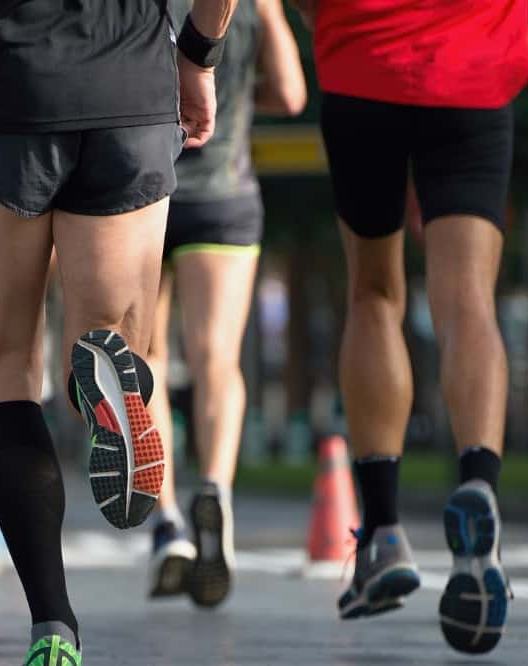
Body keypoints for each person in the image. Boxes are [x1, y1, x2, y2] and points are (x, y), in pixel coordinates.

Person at [0, 0, 238, 666]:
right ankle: (107, 384)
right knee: (107, 334)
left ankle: (53, 635)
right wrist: (196, 57)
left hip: (10, 97)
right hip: (133, 92)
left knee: (5, 363)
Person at [294, 0, 528, 654]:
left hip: (361, 65)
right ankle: (478, 482)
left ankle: (384, 531)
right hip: (473, 65)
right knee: (469, 300)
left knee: (374, 293)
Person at [144, 0, 305, 606]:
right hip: (227, 194)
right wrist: (237, 96)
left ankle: (166, 524)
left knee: (147, 358)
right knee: (216, 359)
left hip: (147, 187)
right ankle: (215, 485)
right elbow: (291, 93)